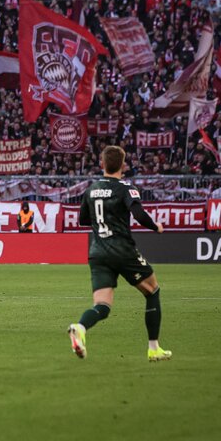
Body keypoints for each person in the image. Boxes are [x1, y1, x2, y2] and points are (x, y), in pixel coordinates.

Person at [68, 145, 170, 362]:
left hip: (97, 252)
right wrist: (156, 227)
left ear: (101, 164)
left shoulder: (91, 189)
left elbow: (84, 220)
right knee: (152, 291)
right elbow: (139, 214)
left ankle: (80, 327)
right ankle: (154, 348)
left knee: (102, 306)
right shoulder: (125, 188)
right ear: (123, 165)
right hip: (122, 249)